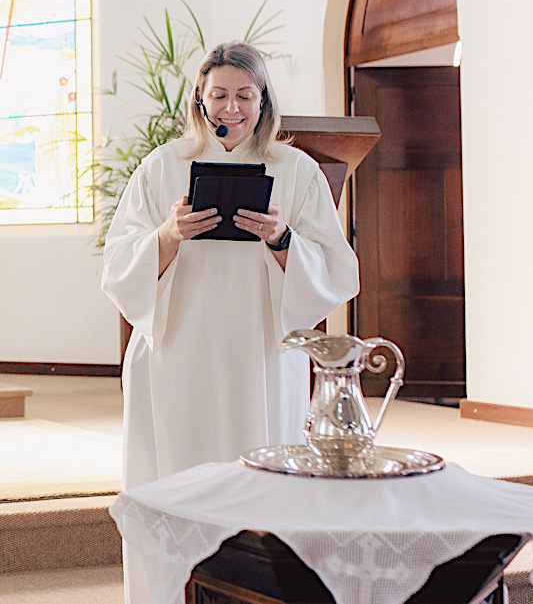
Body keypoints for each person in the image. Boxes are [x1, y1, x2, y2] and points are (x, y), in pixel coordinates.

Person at [100, 41, 359, 603]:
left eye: (245, 95)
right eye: (218, 94)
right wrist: (167, 237)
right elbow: (118, 266)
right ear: (200, 98)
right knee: (179, 483)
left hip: (259, 354)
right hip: (179, 355)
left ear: (263, 101)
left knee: (258, 485)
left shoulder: (296, 170)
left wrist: (282, 238)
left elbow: (339, 270)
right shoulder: (162, 166)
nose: (231, 108)